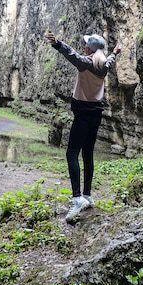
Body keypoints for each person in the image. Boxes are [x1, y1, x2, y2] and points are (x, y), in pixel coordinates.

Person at [45, 29, 121, 223]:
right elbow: (110, 60)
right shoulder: (104, 65)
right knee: (87, 153)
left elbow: (71, 54)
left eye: (86, 45)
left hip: (82, 114)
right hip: (96, 114)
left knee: (72, 153)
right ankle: (87, 195)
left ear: (89, 49)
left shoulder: (85, 62)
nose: (84, 46)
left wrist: (57, 43)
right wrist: (115, 52)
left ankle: (77, 197)